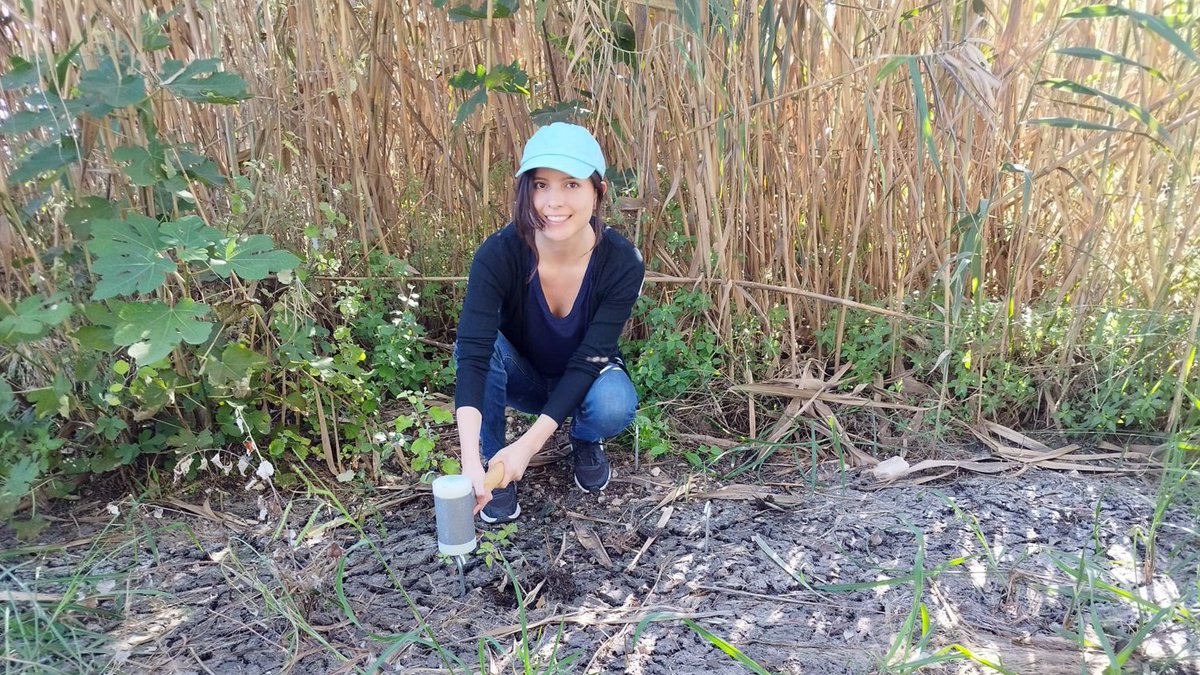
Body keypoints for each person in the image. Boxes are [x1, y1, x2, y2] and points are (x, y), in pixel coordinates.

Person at [453, 123, 645, 523]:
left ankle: (584, 437)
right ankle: (494, 465)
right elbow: (473, 354)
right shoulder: (499, 254)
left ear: (598, 191)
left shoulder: (622, 261)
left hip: (588, 379)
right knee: (478, 347)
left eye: (571, 184)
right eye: (541, 185)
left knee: (614, 404)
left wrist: (528, 446)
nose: (553, 202)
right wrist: (469, 460)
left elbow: (591, 359)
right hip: (523, 376)